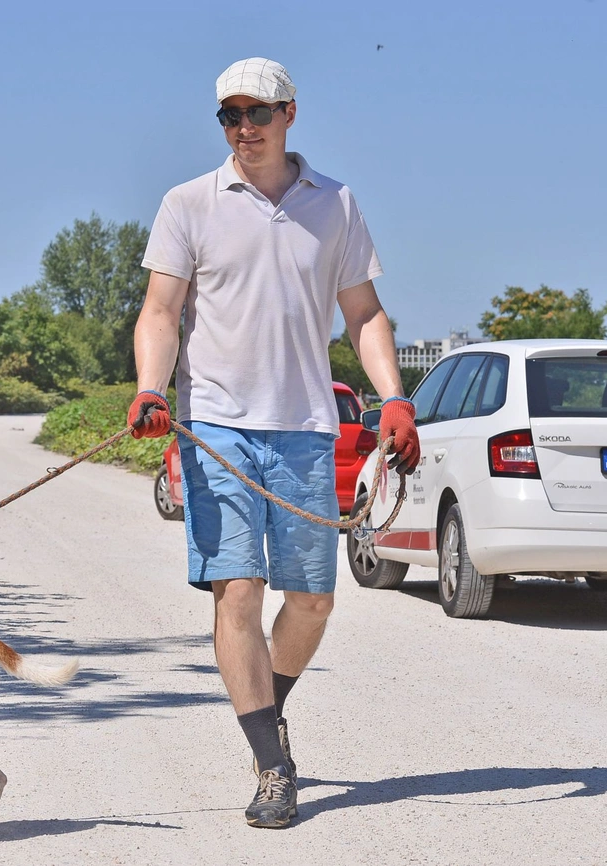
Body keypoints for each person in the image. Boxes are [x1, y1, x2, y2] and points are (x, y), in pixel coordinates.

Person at [128, 57, 421, 829]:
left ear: (292, 113)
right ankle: (271, 763)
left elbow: (363, 313)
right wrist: (153, 388)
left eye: (257, 112)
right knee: (240, 591)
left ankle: (263, 707)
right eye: (229, 115)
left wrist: (394, 398)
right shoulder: (188, 202)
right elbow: (161, 312)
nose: (243, 127)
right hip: (217, 426)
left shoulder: (337, 205)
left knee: (314, 602)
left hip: (304, 429)